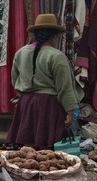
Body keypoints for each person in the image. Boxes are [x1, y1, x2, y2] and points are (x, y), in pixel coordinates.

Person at [7, 13, 79, 149]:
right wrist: (70, 111)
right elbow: (65, 87)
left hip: (27, 103)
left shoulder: (20, 53)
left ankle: (27, 169)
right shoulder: (57, 57)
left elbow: (15, 80)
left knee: (28, 146)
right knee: (47, 148)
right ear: (54, 36)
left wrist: (24, 96)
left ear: (34, 34)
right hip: (49, 105)